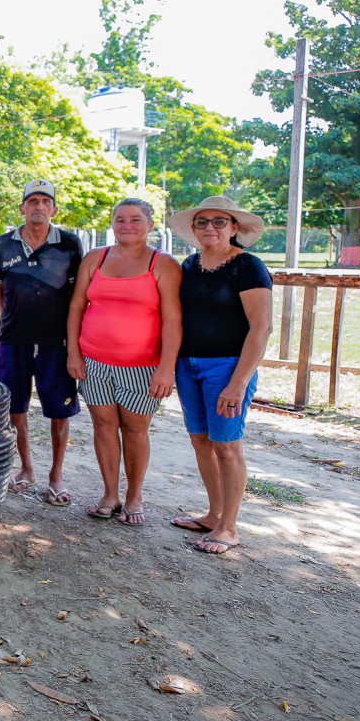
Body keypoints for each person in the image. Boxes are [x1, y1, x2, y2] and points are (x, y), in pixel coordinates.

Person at [166, 196, 273, 555]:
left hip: (227, 366)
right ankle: (213, 514)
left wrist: (239, 381)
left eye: (219, 222)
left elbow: (261, 329)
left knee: (227, 446)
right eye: (202, 222)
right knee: (200, 441)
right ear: (193, 229)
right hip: (188, 364)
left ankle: (229, 526)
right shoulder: (188, 266)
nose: (210, 228)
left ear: (234, 228)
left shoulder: (249, 267)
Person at [66, 198, 181, 526]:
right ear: (112, 224)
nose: (126, 225)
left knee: (135, 430)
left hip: (143, 366)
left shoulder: (163, 264)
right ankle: (110, 493)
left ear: (150, 225)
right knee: (103, 426)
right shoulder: (95, 258)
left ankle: (134, 496)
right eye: (120, 220)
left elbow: (173, 320)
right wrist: (74, 353)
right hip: (94, 362)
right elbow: (76, 307)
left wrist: (166, 367)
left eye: (134, 220)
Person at [0, 180, 84, 506]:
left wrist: (74, 346)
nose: (39, 206)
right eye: (32, 201)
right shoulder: (4, 244)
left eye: (46, 201)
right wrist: (1, 331)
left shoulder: (70, 244)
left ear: (54, 208)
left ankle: (56, 475)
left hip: (55, 343)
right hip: (12, 340)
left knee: (59, 411)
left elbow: (76, 297)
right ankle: (26, 468)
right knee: (13, 407)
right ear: (22, 208)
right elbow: (0, 293)